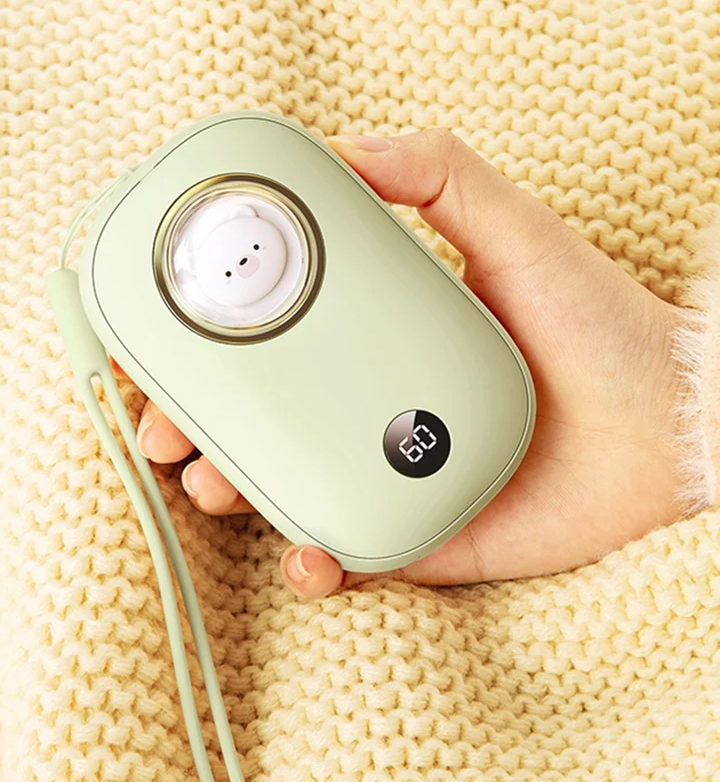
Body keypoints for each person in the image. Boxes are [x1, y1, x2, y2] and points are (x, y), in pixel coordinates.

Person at [114, 129, 720, 600]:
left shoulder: (248, 153)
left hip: (507, 410)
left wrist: (675, 412)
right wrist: (674, 416)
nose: (245, 264)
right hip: (481, 434)